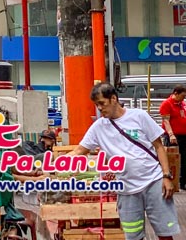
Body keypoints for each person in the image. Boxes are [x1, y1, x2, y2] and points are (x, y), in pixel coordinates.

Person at [69, 83, 180, 240]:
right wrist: (56, 163)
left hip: (154, 182)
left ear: (113, 98)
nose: (99, 108)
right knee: (133, 235)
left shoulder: (139, 116)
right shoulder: (98, 127)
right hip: (126, 190)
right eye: (96, 105)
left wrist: (166, 176)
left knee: (164, 231)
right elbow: (79, 151)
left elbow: (159, 147)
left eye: (102, 103)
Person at [159, 85, 186, 189]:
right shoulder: (167, 104)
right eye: (182, 96)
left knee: (184, 159)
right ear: (176, 93)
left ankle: (183, 182)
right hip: (174, 136)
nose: (183, 98)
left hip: (184, 136)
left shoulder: (182, 104)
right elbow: (166, 121)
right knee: (172, 159)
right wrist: (171, 134)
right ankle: (171, 181)